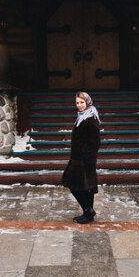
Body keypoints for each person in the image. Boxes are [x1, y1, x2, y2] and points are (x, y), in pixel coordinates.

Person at [62, 91, 101, 224]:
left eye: (82, 102)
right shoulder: (82, 116)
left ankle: (87, 211)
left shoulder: (90, 119)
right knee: (86, 186)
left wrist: (85, 157)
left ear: (88, 102)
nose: (79, 105)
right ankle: (89, 212)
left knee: (73, 184)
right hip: (80, 158)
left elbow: (95, 142)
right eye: (77, 103)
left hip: (84, 160)